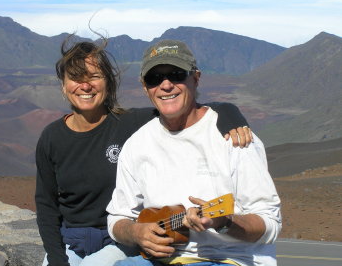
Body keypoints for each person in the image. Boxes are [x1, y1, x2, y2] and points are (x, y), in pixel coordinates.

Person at [35, 38, 253, 266]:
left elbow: (186, 106)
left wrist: (230, 112)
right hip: (71, 241)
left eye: (94, 77)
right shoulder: (51, 138)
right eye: (75, 78)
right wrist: (56, 259)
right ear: (63, 85)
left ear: (108, 82)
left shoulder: (131, 123)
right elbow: (46, 206)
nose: (85, 86)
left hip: (119, 239)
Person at [107, 40, 282, 266]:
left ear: (196, 78)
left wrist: (225, 222)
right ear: (144, 86)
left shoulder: (235, 138)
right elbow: (117, 218)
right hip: (166, 259)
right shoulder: (136, 144)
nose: (166, 85)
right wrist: (136, 233)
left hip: (231, 259)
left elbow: (269, 222)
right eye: (154, 79)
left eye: (177, 74)